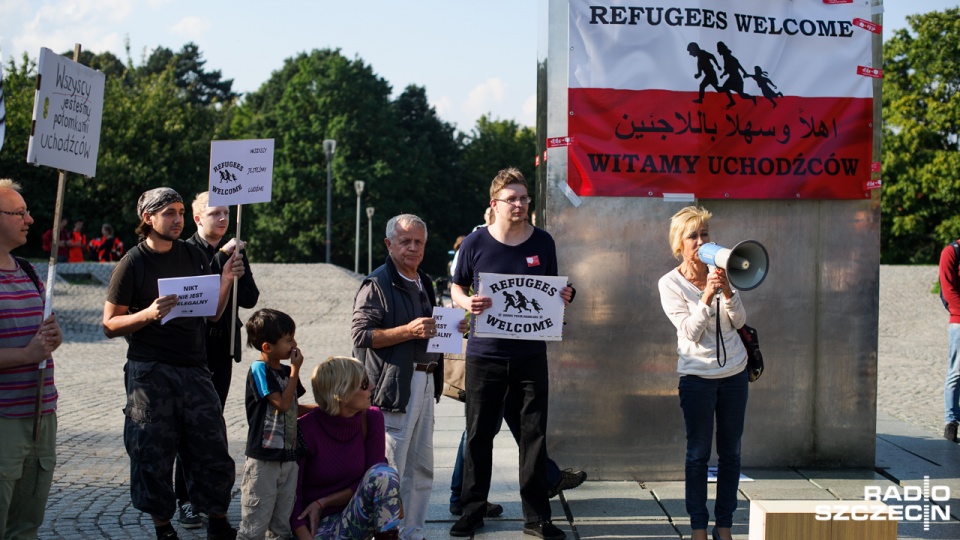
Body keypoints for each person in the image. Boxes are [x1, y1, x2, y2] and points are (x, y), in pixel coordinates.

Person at [102, 187, 245, 540]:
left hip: (194, 367)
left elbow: (212, 314)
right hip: (149, 371)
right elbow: (109, 324)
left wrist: (225, 279)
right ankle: (163, 526)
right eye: (169, 212)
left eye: (181, 211)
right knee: (152, 450)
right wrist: (148, 314)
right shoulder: (133, 263)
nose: (178, 219)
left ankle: (217, 519)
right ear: (147, 218)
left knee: (211, 446)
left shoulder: (195, 255)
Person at [450, 168, 575, 540]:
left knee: (534, 436)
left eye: (523, 198)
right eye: (512, 199)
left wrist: (567, 296)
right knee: (478, 436)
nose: (519, 204)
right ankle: (472, 510)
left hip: (530, 356)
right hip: (484, 354)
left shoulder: (543, 242)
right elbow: (456, 286)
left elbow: (553, 290)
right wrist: (466, 302)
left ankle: (537, 517)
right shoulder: (474, 243)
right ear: (495, 204)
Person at [352, 214, 466, 540]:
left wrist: (451, 329)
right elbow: (360, 334)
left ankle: (413, 532)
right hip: (396, 386)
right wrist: (407, 330)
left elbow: (428, 332)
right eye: (405, 241)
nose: (412, 248)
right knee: (392, 469)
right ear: (389, 244)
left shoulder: (423, 280)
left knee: (423, 468)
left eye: (418, 242)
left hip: (427, 380)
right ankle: (384, 534)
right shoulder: (377, 283)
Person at [657, 206, 749, 540]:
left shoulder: (721, 270)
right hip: (697, 379)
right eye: (693, 236)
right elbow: (690, 332)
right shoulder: (669, 283)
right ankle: (698, 527)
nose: (700, 241)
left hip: (735, 374)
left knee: (732, 453)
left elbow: (738, 321)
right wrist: (707, 296)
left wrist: (726, 289)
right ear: (678, 243)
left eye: (705, 234)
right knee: (697, 454)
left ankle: (724, 526)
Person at [173, 191, 261, 527]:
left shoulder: (235, 250)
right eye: (215, 213)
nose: (223, 219)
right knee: (188, 426)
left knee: (211, 424)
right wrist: (220, 262)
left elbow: (250, 298)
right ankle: (185, 498)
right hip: (193, 350)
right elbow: (197, 295)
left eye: (226, 213)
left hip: (223, 348)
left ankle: (207, 496)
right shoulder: (186, 251)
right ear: (198, 218)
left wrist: (240, 266)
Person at [0, 179, 63, 539]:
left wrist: (54, 336)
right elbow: (30, 349)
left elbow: (47, 335)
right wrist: (26, 354)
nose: (29, 219)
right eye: (18, 212)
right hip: (4, 417)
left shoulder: (26, 269)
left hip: (41, 414)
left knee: (26, 525)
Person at [291, 356, 402, 540]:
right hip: (316, 524)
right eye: (364, 383)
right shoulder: (305, 429)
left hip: (356, 515)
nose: (373, 386)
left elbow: (373, 481)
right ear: (341, 392)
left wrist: (324, 502)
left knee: (384, 474)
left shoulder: (372, 418)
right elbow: (292, 497)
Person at [237, 309, 307, 540]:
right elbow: (282, 404)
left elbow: (296, 406)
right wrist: (296, 371)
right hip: (264, 459)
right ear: (267, 347)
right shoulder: (259, 370)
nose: (294, 344)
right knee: (255, 523)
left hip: (287, 457)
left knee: (281, 524)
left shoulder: (286, 371)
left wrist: (330, 408)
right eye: (288, 340)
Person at [940, 239, 960, 442]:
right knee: (957, 371)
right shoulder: (951, 252)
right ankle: (951, 422)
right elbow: (949, 291)